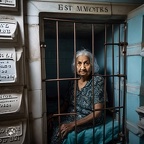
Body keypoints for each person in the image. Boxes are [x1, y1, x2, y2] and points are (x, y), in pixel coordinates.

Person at [49, 49, 104, 144]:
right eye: (79, 63)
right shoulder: (73, 81)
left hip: (89, 117)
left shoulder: (97, 80)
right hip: (73, 114)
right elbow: (66, 103)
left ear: (92, 65)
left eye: (86, 63)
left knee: (59, 131)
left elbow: (97, 112)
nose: (82, 67)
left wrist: (72, 125)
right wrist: (54, 115)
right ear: (75, 66)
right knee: (49, 123)